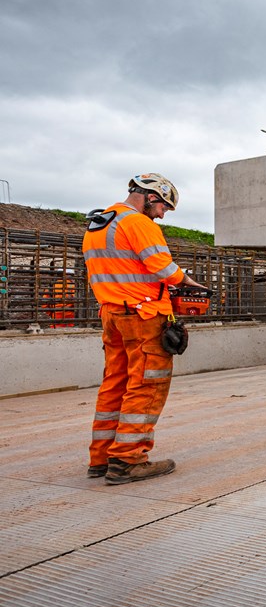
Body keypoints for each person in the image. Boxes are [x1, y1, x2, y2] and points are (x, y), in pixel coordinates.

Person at [81, 173, 208, 485]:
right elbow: (162, 267)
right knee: (147, 385)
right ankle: (128, 460)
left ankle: (101, 458)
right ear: (151, 196)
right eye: (164, 206)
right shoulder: (138, 223)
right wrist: (189, 283)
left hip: (112, 315)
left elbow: (121, 269)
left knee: (115, 384)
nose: (163, 214)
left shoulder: (99, 225)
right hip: (143, 315)